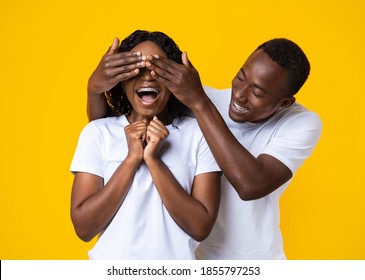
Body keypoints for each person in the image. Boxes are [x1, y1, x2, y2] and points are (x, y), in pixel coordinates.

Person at [86, 36, 322, 259]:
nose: (239, 95)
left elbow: (251, 184)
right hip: (193, 260)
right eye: (240, 77)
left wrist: (199, 102)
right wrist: (95, 88)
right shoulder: (199, 101)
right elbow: (114, 131)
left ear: (284, 103)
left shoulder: (300, 123)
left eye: (257, 92)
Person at [70, 30, 221, 260]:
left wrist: (153, 160)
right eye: (136, 69)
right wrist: (131, 159)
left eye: (157, 69)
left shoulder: (198, 135)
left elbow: (200, 227)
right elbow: (84, 228)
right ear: (121, 81)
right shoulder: (97, 133)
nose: (147, 77)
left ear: (173, 81)